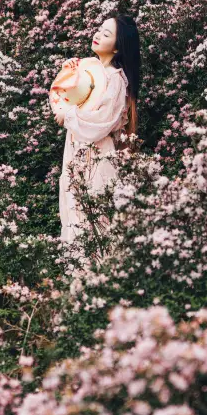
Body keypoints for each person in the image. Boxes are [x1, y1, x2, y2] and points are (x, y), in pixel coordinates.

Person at [49, 14, 141, 243]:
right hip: (76, 150)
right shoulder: (90, 71)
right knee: (75, 211)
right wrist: (69, 73)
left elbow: (101, 121)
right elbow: (64, 95)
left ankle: (101, 275)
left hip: (97, 154)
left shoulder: (116, 79)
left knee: (96, 217)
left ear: (118, 48)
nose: (98, 35)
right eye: (99, 29)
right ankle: (79, 276)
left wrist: (68, 114)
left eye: (107, 34)